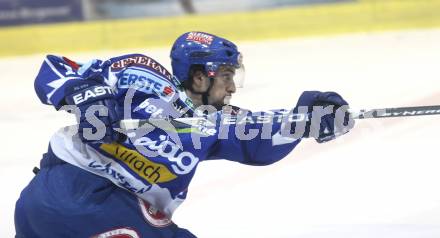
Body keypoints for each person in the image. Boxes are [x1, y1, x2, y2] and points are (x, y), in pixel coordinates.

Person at [15, 31, 354, 238]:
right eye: (225, 75)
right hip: (71, 184)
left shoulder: (215, 122)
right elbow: (56, 69)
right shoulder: (139, 74)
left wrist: (309, 117)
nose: (233, 86)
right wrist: (88, 97)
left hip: (109, 212)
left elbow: (260, 140)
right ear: (198, 77)